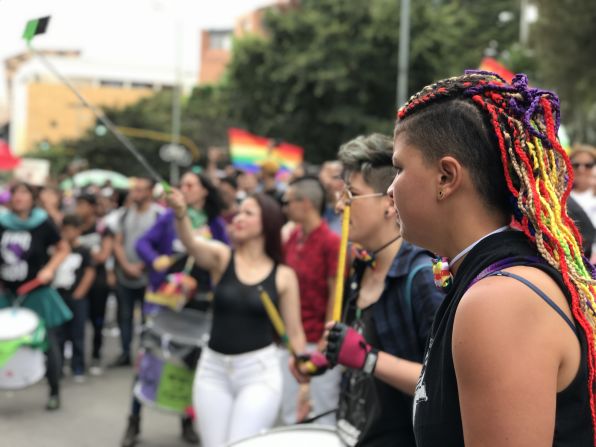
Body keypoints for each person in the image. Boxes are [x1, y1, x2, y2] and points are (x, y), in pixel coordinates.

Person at [392, 71, 596, 445]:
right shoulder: (489, 281)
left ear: (446, 177)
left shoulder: (498, 302)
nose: (390, 189)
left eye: (399, 168)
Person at [294, 134, 444, 446]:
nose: (338, 207)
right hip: (351, 433)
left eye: (350, 195)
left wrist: (368, 359)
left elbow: (444, 384)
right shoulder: (361, 264)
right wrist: (327, 356)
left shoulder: (421, 277)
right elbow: (356, 343)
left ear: (390, 202)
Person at [166, 190, 307, 447]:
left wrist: (305, 384)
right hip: (212, 371)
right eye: (238, 212)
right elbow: (191, 243)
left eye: (248, 213)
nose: (238, 217)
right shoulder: (222, 258)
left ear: (267, 222)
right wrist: (180, 213)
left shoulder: (284, 276)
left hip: (259, 374)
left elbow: (295, 333)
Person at [119, 170, 230, 447]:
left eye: (191, 185)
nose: (185, 189)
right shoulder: (170, 218)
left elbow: (225, 262)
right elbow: (142, 243)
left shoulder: (216, 224)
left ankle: (187, 421)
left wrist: (205, 281)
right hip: (165, 301)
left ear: (205, 190)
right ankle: (133, 422)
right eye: (182, 185)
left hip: (199, 305)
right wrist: (155, 260)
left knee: (192, 365)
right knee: (147, 360)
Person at [0, 182, 71, 410]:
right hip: (7, 292)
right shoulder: (2, 222)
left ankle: (54, 391)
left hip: (35, 293)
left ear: (32, 198)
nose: (19, 197)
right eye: (15, 192)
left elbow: (63, 248)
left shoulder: (42, 223)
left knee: (47, 342)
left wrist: (49, 269)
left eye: (24, 193)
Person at [280, 176, 342, 426]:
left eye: (288, 201)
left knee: (321, 414)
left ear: (305, 203)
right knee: (289, 414)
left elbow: (334, 295)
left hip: (318, 340)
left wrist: (323, 344)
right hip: (291, 339)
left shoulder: (331, 242)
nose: (285, 207)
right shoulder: (293, 237)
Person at [111, 177, 163, 367]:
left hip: (148, 276)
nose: (136, 194)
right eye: (135, 190)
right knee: (124, 316)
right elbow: (117, 242)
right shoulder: (124, 214)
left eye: (141, 190)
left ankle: (145, 354)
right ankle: (125, 352)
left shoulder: (159, 215)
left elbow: (161, 247)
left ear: (150, 192)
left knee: (147, 317)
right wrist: (126, 265)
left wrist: (143, 264)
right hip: (125, 275)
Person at [53, 213, 95, 382]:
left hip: (77, 297)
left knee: (77, 333)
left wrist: (80, 292)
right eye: (65, 230)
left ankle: (78, 366)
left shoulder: (83, 251)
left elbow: (89, 272)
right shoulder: (57, 250)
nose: (68, 233)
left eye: (72, 230)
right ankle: (59, 366)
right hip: (58, 295)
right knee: (59, 334)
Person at [75, 192, 114, 375]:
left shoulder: (102, 228)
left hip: (98, 282)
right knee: (77, 323)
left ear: (92, 207)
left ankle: (97, 354)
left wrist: (82, 248)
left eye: (83, 204)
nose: (79, 208)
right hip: (77, 280)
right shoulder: (74, 227)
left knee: (97, 320)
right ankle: (77, 359)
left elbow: (103, 256)